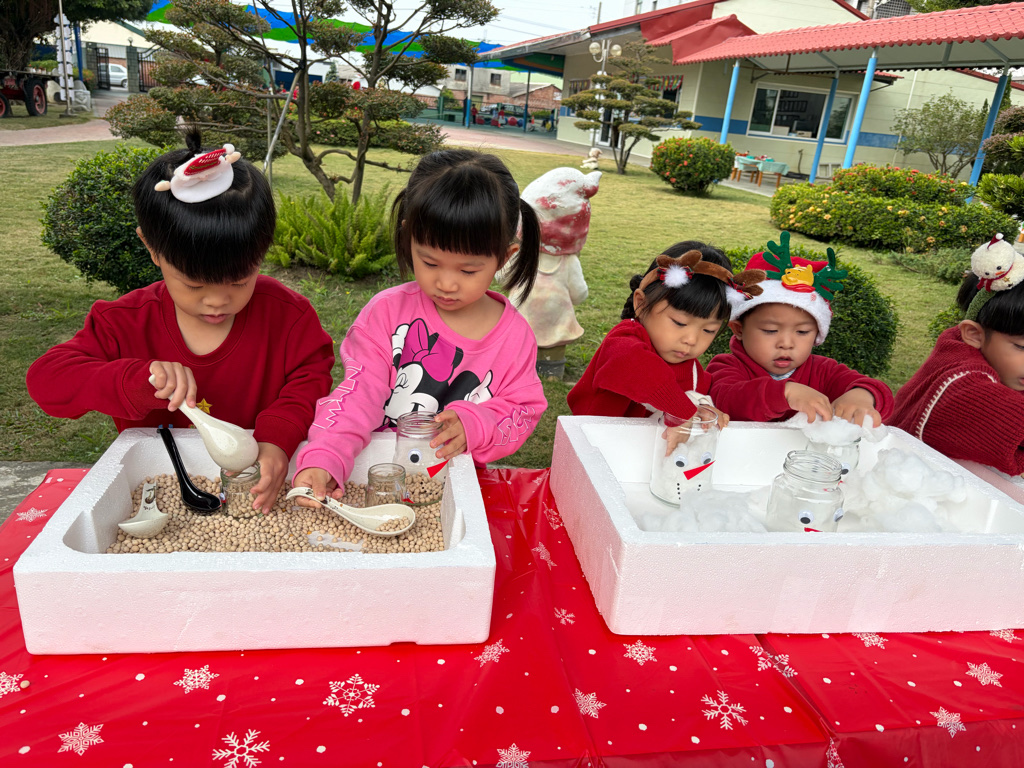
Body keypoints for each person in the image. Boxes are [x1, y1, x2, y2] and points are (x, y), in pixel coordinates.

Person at [26, 127, 336, 512]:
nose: (217, 301)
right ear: (152, 248)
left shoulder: (287, 316)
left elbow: (309, 380)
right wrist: (134, 380)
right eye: (193, 284)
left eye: (239, 281)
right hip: (163, 485)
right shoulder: (123, 322)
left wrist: (276, 440)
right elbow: (46, 381)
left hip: (258, 481)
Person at [292, 149, 548, 502]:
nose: (446, 283)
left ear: (504, 257)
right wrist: (326, 456)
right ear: (408, 237)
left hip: (454, 489)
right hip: (377, 474)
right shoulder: (387, 313)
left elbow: (522, 411)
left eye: (468, 270)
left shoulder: (515, 339)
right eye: (429, 262)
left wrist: (475, 424)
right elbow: (358, 394)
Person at [567, 241, 763, 427]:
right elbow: (636, 367)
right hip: (592, 441)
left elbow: (694, 396)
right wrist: (683, 411)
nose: (691, 340)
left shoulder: (692, 370)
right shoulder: (624, 341)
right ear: (641, 303)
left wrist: (701, 408)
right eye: (679, 322)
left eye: (708, 330)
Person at [706, 234, 893, 426]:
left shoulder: (824, 371)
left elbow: (876, 389)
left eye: (802, 332)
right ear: (739, 329)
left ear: (817, 334)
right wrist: (785, 393)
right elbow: (726, 400)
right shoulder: (726, 367)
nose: (786, 343)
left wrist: (861, 397)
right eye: (770, 330)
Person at [892, 234, 1024, 475]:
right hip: (902, 476)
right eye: (1021, 347)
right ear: (974, 334)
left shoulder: (983, 350)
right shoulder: (962, 382)